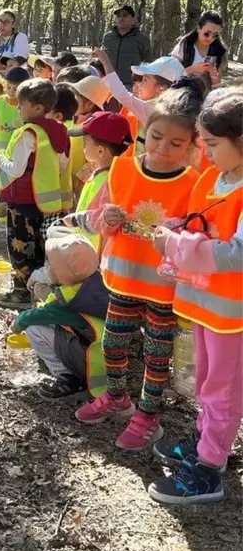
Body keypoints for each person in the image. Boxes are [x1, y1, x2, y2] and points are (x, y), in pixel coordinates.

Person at [74, 79, 204, 451]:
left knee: (156, 352)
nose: (164, 148)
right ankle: (117, 398)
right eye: (157, 137)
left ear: (193, 144)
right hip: (123, 278)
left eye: (176, 143)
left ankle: (148, 417)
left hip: (164, 289)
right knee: (114, 342)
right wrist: (107, 218)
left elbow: (198, 236)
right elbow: (99, 216)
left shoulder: (194, 183)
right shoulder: (121, 169)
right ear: (146, 131)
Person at [148, 89, 243, 504]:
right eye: (203, 141)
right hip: (205, 304)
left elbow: (235, 253)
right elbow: (198, 218)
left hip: (232, 313)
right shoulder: (213, 176)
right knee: (206, 380)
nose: (204, 150)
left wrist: (176, 245)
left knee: (224, 388)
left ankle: (209, 470)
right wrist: (175, 225)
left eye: (213, 144)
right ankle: (207, 441)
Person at [0, 78, 71, 308]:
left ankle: (20, 294)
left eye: (22, 104)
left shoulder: (28, 133)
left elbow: (15, 169)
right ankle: (37, 292)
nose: (17, 107)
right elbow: (63, 165)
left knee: (20, 248)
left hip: (22, 199)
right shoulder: (60, 130)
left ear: (37, 108)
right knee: (37, 247)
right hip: (45, 202)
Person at [10, 230, 108, 399]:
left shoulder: (68, 299)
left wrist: (17, 322)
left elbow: (38, 315)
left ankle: (68, 378)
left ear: (65, 273)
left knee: (34, 328)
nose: (48, 268)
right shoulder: (97, 282)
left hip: (89, 364)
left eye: (52, 266)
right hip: (109, 362)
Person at [94, 48, 186, 156]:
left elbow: (122, 94)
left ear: (161, 89)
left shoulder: (154, 111)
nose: (140, 84)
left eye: (145, 79)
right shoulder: (177, 111)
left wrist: (105, 61)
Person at [63, 112, 134, 251]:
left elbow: (102, 219)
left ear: (100, 150)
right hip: (86, 247)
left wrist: (75, 221)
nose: (84, 147)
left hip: (94, 252)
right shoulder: (108, 173)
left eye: (85, 143)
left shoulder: (109, 181)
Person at [102, 4, 152, 89]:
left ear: (132, 19)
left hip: (131, 86)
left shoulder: (142, 39)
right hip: (108, 83)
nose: (121, 18)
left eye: (125, 16)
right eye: (118, 16)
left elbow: (148, 62)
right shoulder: (107, 37)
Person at [172, 10, 226, 85]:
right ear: (198, 29)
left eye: (215, 35)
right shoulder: (186, 45)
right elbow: (171, 75)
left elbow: (217, 84)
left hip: (204, 93)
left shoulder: (218, 50)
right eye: (207, 34)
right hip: (180, 91)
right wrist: (193, 69)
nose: (210, 38)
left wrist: (213, 76)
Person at [0, 67, 29, 154]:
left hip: (18, 152)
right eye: (8, 87)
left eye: (15, 89)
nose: (11, 91)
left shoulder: (29, 105)